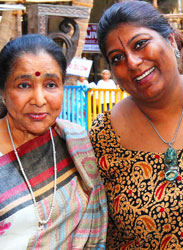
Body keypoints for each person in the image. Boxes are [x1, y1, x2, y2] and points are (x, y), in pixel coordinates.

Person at [89, 0, 183, 249]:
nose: (133, 62)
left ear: (171, 41)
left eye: (140, 44)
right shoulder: (104, 135)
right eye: (117, 58)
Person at [0, 34, 107, 250]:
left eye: (50, 84)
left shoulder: (73, 140)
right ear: (2, 91)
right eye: (23, 85)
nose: (39, 100)